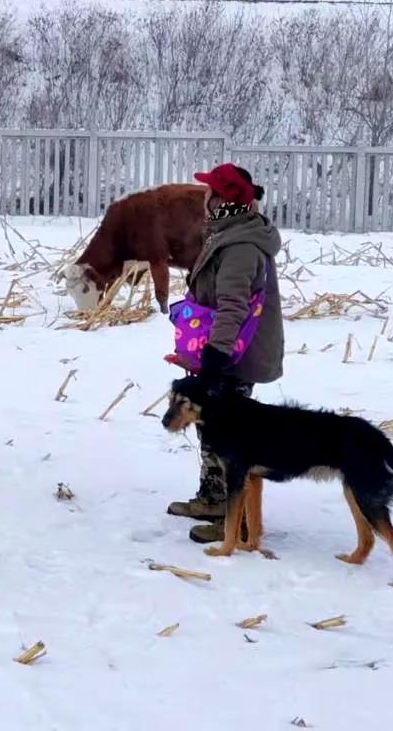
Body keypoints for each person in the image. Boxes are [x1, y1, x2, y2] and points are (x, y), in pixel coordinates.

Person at [166, 163, 284, 543]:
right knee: (211, 428)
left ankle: (237, 518)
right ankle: (214, 498)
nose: (203, 198)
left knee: (232, 440)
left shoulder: (240, 247)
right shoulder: (227, 234)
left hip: (234, 356)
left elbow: (233, 306)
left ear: (222, 201)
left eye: (209, 192)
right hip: (222, 350)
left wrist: (215, 357)